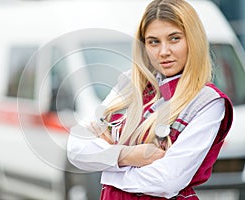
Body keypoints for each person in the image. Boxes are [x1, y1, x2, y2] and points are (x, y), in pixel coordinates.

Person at [67, 0, 233, 199]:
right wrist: (128, 155)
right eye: (153, 41)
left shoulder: (207, 102)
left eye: (174, 39)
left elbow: (167, 180)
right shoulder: (129, 84)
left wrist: (108, 164)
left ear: (193, 40)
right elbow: (76, 148)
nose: (163, 52)